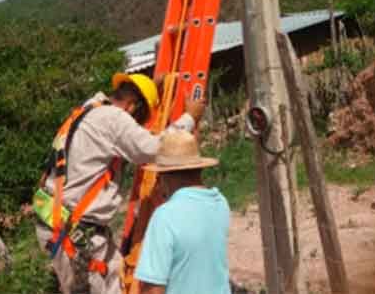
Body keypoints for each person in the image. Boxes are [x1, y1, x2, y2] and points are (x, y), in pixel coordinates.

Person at [34, 73, 206, 294]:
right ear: (133, 107)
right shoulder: (114, 118)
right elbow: (153, 148)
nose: (136, 126)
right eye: (139, 120)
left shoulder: (91, 108)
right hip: (73, 231)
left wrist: (149, 88)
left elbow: (126, 118)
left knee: (115, 272)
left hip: (56, 219)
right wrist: (190, 117)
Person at [135, 130, 231, 294]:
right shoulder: (220, 203)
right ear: (199, 169)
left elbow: (153, 289)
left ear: (164, 176)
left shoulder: (165, 217)